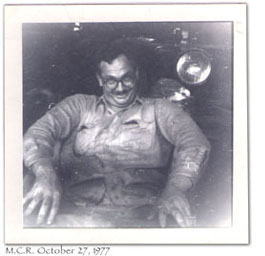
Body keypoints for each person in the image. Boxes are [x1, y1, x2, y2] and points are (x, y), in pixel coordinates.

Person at [23, 41, 210, 228]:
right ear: (99, 79)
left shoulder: (160, 109)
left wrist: (175, 190)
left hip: (142, 217)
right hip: (74, 216)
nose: (120, 88)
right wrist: (45, 174)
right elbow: (38, 134)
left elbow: (194, 144)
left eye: (126, 78)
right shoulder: (78, 105)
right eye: (111, 80)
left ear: (136, 74)